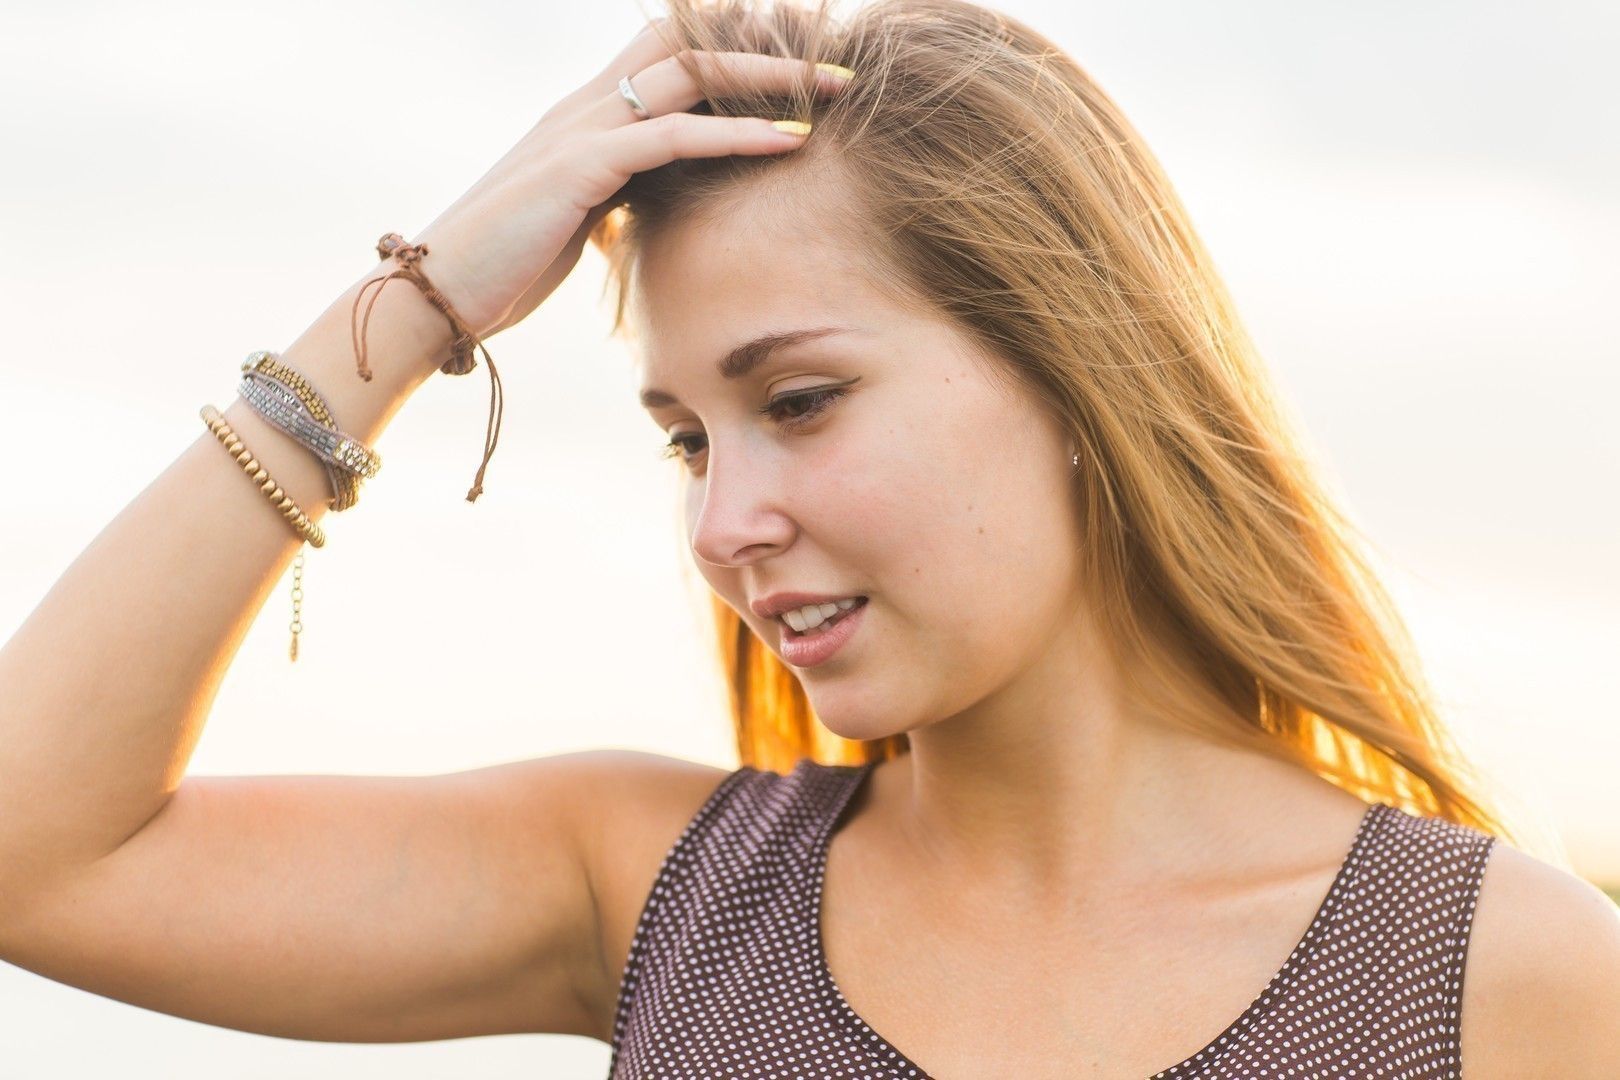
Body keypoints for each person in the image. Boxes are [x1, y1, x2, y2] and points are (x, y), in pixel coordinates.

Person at [0, 0, 1615, 1075]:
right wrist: (424, 305)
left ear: (1079, 369)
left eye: (806, 401)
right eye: (690, 439)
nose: (722, 522)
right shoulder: (658, 893)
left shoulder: (1496, 977)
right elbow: (35, 854)